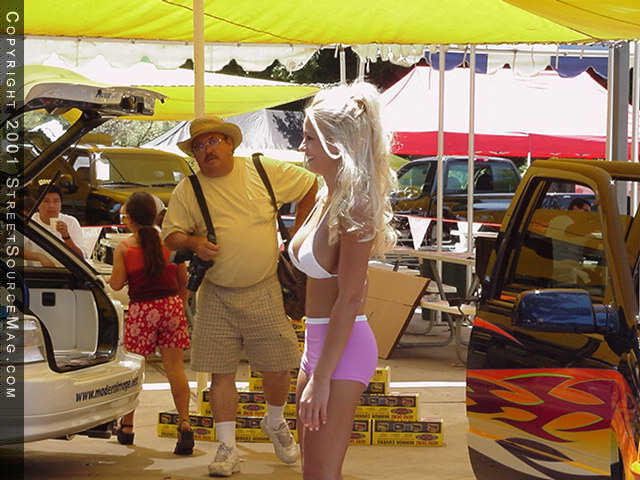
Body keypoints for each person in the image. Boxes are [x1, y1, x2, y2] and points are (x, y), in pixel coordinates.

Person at [162, 116, 317, 476]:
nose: (207, 150)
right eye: (199, 146)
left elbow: (311, 185)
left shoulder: (262, 170)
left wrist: (298, 234)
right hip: (215, 293)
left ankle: (274, 420)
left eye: (213, 141)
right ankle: (227, 448)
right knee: (220, 373)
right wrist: (194, 242)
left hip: (264, 287)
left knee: (278, 365)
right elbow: (171, 236)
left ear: (230, 143)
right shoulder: (188, 188)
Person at [292, 82, 397, 479]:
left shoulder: (356, 206)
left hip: (342, 346)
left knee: (321, 472)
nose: (302, 147)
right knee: (312, 470)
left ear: (335, 143)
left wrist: (321, 379)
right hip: (318, 342)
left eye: (309, 138)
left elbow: (350, 298)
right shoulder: (327, 195)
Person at [108, 192, 194, 454]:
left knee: (134, 370)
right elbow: (184, 281)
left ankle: (127, 426)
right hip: (171, 307)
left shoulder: (124, 248)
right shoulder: (171, 244)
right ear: (155, 215)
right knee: (176, 370)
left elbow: (116, 284)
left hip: (141, 311)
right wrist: (177, 304)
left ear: (130, 218)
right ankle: (185, 424)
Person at [23, 184, 87, 266]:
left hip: (65, 272)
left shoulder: (71, 222)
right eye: (46, 201)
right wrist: (38, 256)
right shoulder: (29, 221)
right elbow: (13, 248)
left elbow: (81, 258)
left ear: (61, 205)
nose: (51, 205)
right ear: (37, 204)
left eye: (56, 201)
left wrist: (66, 237)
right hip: (36, 272)